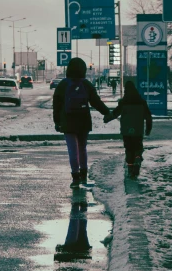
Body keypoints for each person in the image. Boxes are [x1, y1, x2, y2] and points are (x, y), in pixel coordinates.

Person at [53, 57, 110, 187]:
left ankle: (75, 177)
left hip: (68, 121)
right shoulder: (86, 84)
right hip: (83, 120)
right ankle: (84, 174)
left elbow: (56, 105)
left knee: (72, 150)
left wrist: (57, 121)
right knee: (82, 148)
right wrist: (106, 113)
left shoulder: (63, 84)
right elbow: (96, 102)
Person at [104, 81, 152, 178]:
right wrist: (148, 129)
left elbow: (115, 113)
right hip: (138, 130)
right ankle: (138, 159)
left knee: (129, 148)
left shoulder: (123, 102)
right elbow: (148, 117)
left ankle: (130, 169)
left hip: (126, 130)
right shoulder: (142, 102)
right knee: (138, 147)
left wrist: (106, 119)